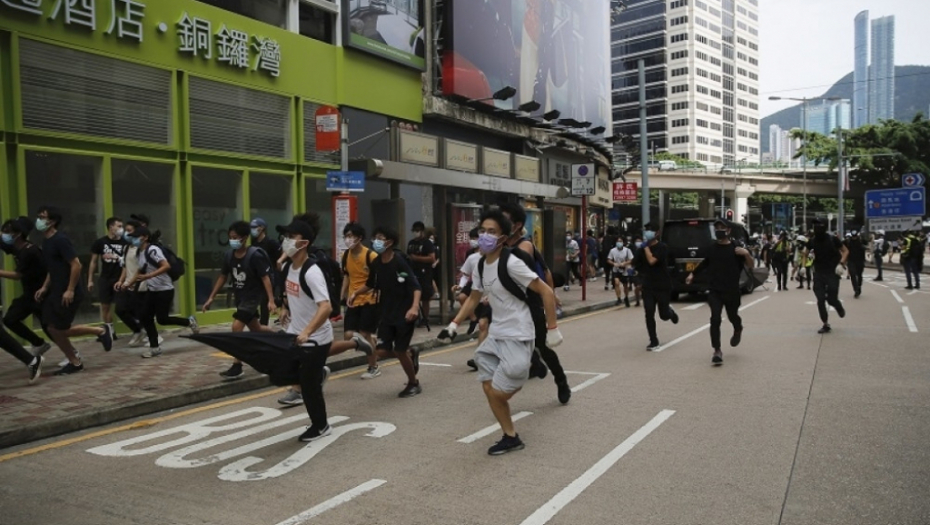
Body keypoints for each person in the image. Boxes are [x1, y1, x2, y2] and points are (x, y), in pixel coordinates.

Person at [438, 209, 562, 455]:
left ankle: (529, 367)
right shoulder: (481, 264)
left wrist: (552, 329)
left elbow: (546, 291)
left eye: (491, 232)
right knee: (487, 385)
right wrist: (454, 324)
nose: (484, 236)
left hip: (518, 335)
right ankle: (510, 436)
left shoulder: (512, 262)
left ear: (503, 238)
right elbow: (474, 295)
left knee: (498, 393)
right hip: (496, 336)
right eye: (482, 230)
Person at [498, 202, 570, 403]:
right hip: (510, 306)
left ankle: (561, 380)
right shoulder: (501, 247)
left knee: (542, 345)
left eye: (504, 221)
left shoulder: (525, 246)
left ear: (517, 224)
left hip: (530, 304)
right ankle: (535, 364)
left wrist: (551, 295)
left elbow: (544, 272)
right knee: (510, 341)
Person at [33, 206, 113, 375]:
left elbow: (76, 264)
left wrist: (70, 290)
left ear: (52, 221)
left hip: (68, 292)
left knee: (60, 329)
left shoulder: (61, 240)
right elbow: (52, 268)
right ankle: (74, 361)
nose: (39, 219)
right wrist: (44, 287)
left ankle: (100, 331)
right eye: (38, 216)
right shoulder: (46, 241)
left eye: (43, 217)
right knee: (51, 328)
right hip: (55, 291)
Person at [278, 219, 336, 442]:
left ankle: (321, 426)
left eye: (291, 237)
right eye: (286, 236)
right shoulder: (286, 267)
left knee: (309, 387)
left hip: (316, 339)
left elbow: (326, 306)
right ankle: (318, 373)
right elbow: (288, 293)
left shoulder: (312, 272)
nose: (287, 241)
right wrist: (284, 307)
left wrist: (308, 332)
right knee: (289, 371)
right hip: (295, 333)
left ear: (304, 243)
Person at [349, 226, 422, 398]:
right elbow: (371, 284)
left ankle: (413, 383)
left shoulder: (399, 262)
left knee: (400, 350)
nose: (376, 241)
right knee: (381, 351)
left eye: (380, 238)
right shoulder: (376, 263)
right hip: (387, 313)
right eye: (375, 237)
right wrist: (355, 293)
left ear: (389, 242)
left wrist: (414, 307)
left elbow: (415, 286)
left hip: (404, 314)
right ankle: (411, 354)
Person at [204, 221, 278, 380]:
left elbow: (265, 278)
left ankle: (237, 366)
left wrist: (271, 300)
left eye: (235, 237)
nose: (232, 240)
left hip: (252, 298)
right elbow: (223, 276)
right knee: (257, 329)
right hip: (241, 297)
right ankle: (278, 338)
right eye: (230, 237)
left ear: (244, 238)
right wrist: (211, 297)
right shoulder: (229, 255)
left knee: (236, 327)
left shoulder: (254, 255)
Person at [685, 219, 754, 365]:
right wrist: (692, 274)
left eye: (722, 228)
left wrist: (746, 253)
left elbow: (751, 265)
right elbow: (704, 263)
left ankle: (738, 328)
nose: (719, 231)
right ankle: (717, 350)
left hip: (732, 290)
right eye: (716, 228)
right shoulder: (712, 248)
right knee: (715, 318)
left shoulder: (737, 249)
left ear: (728, 231)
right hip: (715, 290)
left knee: (732, 315)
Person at [128, 226, 198, 357]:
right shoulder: (139, 252)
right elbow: (140, 270)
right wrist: (128, 284)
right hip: (152, 290)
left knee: (162, 319)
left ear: (145, 237)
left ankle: (189, 322)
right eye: (133, 237)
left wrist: (149, 276)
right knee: (145, 316)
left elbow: (166, 266)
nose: (134, 239)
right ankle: (154, 348)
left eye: (136, 237)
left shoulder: (153, 250)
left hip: (165, 290)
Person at [1, 217, 52, 357]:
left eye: (7, 232)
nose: (4, 234)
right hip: (29, 294)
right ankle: (38, 343)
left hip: (42, 294)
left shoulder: (30, 251)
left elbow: (18, 275)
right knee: (10, 319)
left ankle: (72, 354)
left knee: (50, 327)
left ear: (18, 234)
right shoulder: (15, 246)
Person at [339, 222, 381, 379]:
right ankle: (373, 341)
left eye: (351, 236)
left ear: (360, 238)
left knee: (363, 334)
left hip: (370, 300)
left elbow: (375, 281)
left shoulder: (371, 256)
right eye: (346, 236)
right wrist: (342, 294)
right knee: (349, 335)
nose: (348, 239)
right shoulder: (345, 256)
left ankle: (373, 366)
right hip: (352, 300)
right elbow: (347, 276)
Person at [634, 223, 679, 351]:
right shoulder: (641, 249)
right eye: (646, 230)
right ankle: (653, 340)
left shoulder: (662, 247)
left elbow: (652, 261)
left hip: (662, 285)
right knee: (649, 313)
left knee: (663, 315)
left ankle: (670, 313)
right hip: (648, 286)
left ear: (657, 233)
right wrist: (625, 265)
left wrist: (646, 248)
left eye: (650, 230)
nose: (647, 233)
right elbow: (634, 262)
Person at [803, 218, 848, 334]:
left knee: (831, 298)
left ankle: (838, 306)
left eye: (819, 225)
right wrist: (804, 266)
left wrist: (841, 264)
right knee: (821, 299)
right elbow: (806, 254)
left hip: (833, 273)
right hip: (818, 273)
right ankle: (825, 323)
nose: (817, 228)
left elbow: (845, 251)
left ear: (824, 227)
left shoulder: (833, 240)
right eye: (815, 226)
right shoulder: (812, 241)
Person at [87, 217, 128, 339]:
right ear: (111, 227)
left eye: (122, 226)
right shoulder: (100, 242)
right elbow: (93, 262)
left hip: (120, 277)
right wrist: (90, 279)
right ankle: (110, 331)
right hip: (105, 277)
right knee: (105, 305)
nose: (121, 229)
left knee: (122, 307)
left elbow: (128, 262)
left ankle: (137, 327)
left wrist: (122, 280)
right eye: (119, 226)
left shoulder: (125, 243)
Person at [114, 219, 152, 349]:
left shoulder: (141, 248)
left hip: (140, 285)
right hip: (128, 285)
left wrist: (130, 282)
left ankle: (152, 335)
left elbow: (140, 269)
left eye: (130, 231)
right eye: (126, 231)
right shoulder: (126, 248)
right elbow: (125, 266)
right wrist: (121, 280)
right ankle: (138, 330)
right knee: (120, 309)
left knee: (141, 312)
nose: (126, 233)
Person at [249, 217, 282, 326]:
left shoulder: (271, 243)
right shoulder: (253, 243)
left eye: (255, 227)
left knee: (265, 302)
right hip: (256, 276)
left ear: (262, 228)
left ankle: (263, 325)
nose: (252, 230)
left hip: (269, 275)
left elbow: (280, 256)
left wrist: (278, 268)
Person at [406, 221, 435, 328]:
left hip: (424, 272)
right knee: (412, 294)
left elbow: (432, 258)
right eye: (414, 231)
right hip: (412, 271)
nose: (416, 233)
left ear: (422, 231)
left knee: (425, 297)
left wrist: (417, 258)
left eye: (417, 231)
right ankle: (414, 315)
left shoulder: (427, 243)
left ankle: (425, 318)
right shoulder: (411, 243)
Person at [608, 237, 634, 307]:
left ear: (623, 242)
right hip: (616, 270)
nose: (619, 243)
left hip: (624, 270)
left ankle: (626, 297)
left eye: (621, 241)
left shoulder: (627, 250)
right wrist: (614, 263)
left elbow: (631, 259)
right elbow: (609, 259)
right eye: (618, 241)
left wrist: (625, 263)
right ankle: (619, 298)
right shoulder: (612, 251)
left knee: (625, 285)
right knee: (616, 283)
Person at [844, 230, 866, 298]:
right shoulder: (848, 242)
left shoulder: (861, 241)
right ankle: (856, 289)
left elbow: (866, 245)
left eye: (855, 236)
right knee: (853, 274)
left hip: (860, 261)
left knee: (859, 275)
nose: (854, 238)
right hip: (851, 261)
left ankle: (859, 286)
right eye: (853, 236)